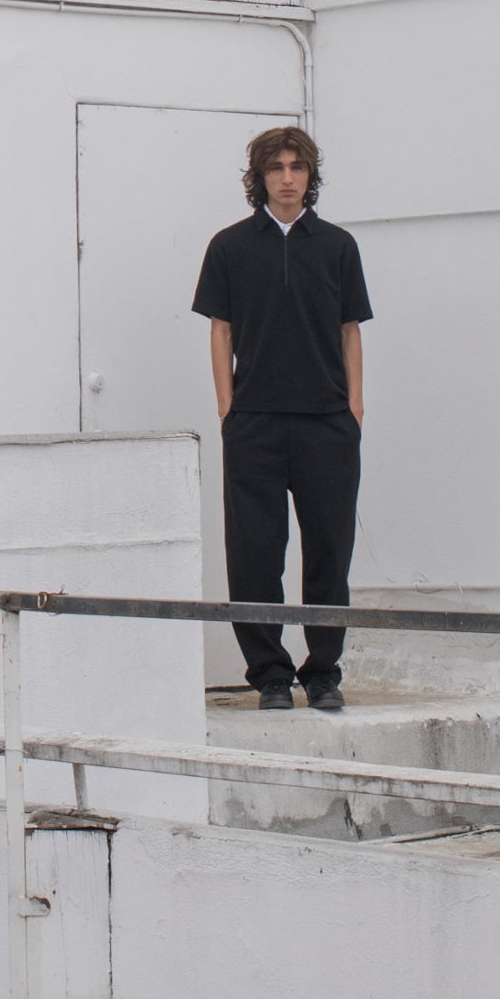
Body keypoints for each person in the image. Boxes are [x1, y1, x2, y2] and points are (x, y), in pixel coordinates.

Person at [190, 125, 371, 712]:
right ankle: (269, 674)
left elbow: (350, 330)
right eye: (277, 168)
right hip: (256, 424)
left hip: (327, 423)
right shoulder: (230, 246)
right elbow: (221, 331)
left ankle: (323, 672)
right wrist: (228, 408)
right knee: (254, 552)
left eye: (297, 167)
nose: (288, 178)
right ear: (260, 177)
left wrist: (354, 408)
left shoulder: (338, 246)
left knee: (328, 549)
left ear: (310, 175)